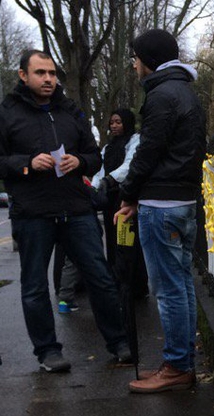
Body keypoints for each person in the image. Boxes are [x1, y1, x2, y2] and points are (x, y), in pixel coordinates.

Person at [0, 49, 131, 372]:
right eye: (40, 73)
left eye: (52, 73)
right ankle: (48, 352)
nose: (48, 79)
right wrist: (26, 164)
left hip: (76, 208)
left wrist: (80, 161)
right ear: (23, 75)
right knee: (34, 286)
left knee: (100, 277)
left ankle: (119, 344)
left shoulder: (70, 110)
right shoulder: (8, 112)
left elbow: (94, 155)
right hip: (33, 213)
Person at [116, 30, 206, 393]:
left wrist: (128, 196)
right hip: (182, 201)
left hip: (161, 206)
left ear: (147, 58)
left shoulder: (160, 95)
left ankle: (177, 367)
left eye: (136, 58)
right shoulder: (185, 92)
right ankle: (181, 361)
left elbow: (147, 153)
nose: (135, 64)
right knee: (181, 285)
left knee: (169, 290)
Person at [92, 108, 148, 303]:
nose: (114, 126)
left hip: (126, 199)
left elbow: (129, 166)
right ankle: (118, 284)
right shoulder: (108, 147)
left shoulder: (135, 141)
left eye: (118, 122)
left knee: (128, 242)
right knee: (114, 243)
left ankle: (133, 287)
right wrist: (94, 188)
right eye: (112, 122)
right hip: (110, 202)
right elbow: (99, 171)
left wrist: (110, 179)